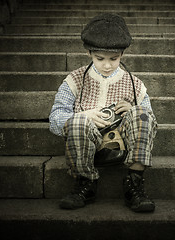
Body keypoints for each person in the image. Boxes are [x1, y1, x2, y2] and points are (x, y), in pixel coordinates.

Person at [49, 13, 157, 213]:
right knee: (76, 121)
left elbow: (150, 121)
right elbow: (54, 119)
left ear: (122, 54)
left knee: (142, 114)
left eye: (114, 58)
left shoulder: (135, 84)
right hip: (86, 140)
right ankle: (85, 184)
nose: (107, 65)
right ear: (89, 52)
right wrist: (83, 116)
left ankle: (134, 184)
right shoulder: (74, 80)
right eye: (100, 58)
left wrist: (133, 110)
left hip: (122, 141)